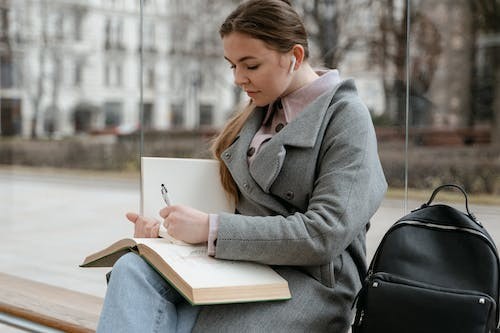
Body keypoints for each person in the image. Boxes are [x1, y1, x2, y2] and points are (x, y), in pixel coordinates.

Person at [96, 0, 387, 332]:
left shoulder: (346, 116)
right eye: (232, 65)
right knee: (132, 270)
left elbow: (324, 233)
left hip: (307, 283)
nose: (238, 78)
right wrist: (167, 231)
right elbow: (226, 206)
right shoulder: (258, 110)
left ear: (295, 57)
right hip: (239, 267)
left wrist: (210, 229)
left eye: (250, 65)